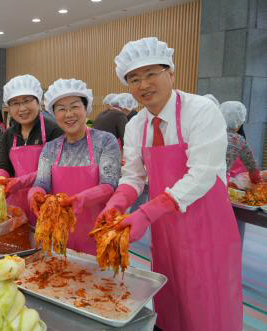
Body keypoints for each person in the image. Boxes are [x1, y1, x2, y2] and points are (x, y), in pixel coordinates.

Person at [97, 37, 242, 330]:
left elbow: (202, 173)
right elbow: (134, 175)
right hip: (166, 231)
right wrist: (117, 203)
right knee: (171, 301)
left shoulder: (200, 111)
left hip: (207, 229)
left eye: (151, 74)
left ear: (171, 73)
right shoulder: (137, 124)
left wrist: (147, 213)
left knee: (208, 305)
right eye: (134, 78)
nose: (143, 84)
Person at [27, 78, 120, 254]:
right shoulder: (51, 147)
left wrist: (80, 199)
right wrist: (34, 194)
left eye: (75, 106)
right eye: (61, 109)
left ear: (86, 109)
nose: (68, 114)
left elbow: (110, 184)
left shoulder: (106, 141)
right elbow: (41, 183)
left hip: (98, 232)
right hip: (61, 234)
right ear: (54, 115)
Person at [0, 75, 63, 222]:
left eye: (27, 101)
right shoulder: (9, 134)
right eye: (15, 103)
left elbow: (54, 170)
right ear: (8, 107)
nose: (22, 108)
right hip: (16, 203)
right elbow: (5, 166)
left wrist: (19, 182)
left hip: (45, 200)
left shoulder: (53, 130)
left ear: (38, 101)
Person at [220, 101, 262, 183]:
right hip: (221, 183)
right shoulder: (238, 140)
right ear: (239, 122)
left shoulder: (209, 134)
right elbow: (251, 165)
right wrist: (257, 181)